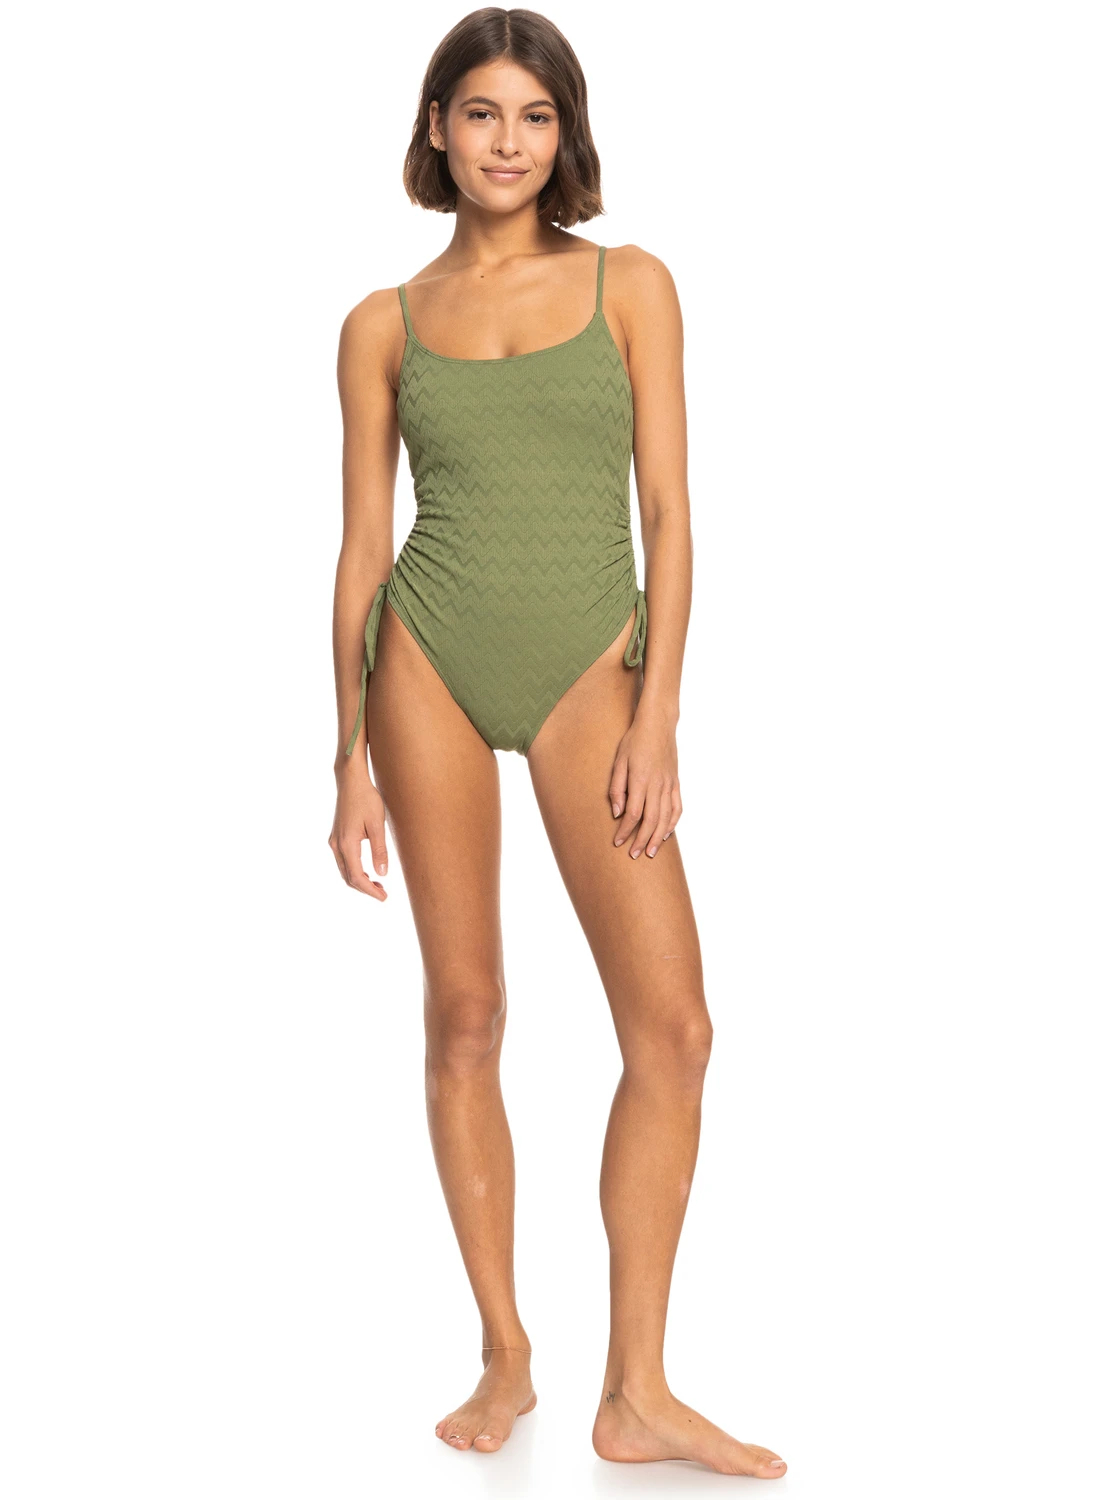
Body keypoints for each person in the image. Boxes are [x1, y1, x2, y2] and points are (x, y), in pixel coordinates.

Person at [328, 7, 786, 1479]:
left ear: (565, 134)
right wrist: (345, 755)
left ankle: (636, 1388)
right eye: (480, 113)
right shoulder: (383, 324)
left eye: (534, 116)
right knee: (466, 1016)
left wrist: (659, 711)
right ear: (438, 129)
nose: (507, 142)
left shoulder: (630, 284)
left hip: (597, 657)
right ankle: (505, 1348)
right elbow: (361, 550)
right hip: (428, 659)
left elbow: (672, 513)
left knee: (676, 1030)